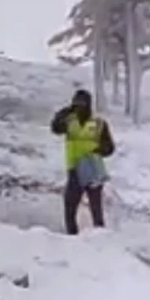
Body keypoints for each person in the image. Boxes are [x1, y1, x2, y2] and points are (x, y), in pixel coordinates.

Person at [50, 89, 115, 235]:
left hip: (93, 169)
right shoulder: (69, 121)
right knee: (70, 206)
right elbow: (55, 128)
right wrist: (64, 112)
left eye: (82, 104)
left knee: (95, 207)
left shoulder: (99, 123)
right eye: (76, 104)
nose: (79, 107)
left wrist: (98, 150)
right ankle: (72, 237)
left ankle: (100, 237)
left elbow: (110, 148)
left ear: (89, 105)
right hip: (74, 169)